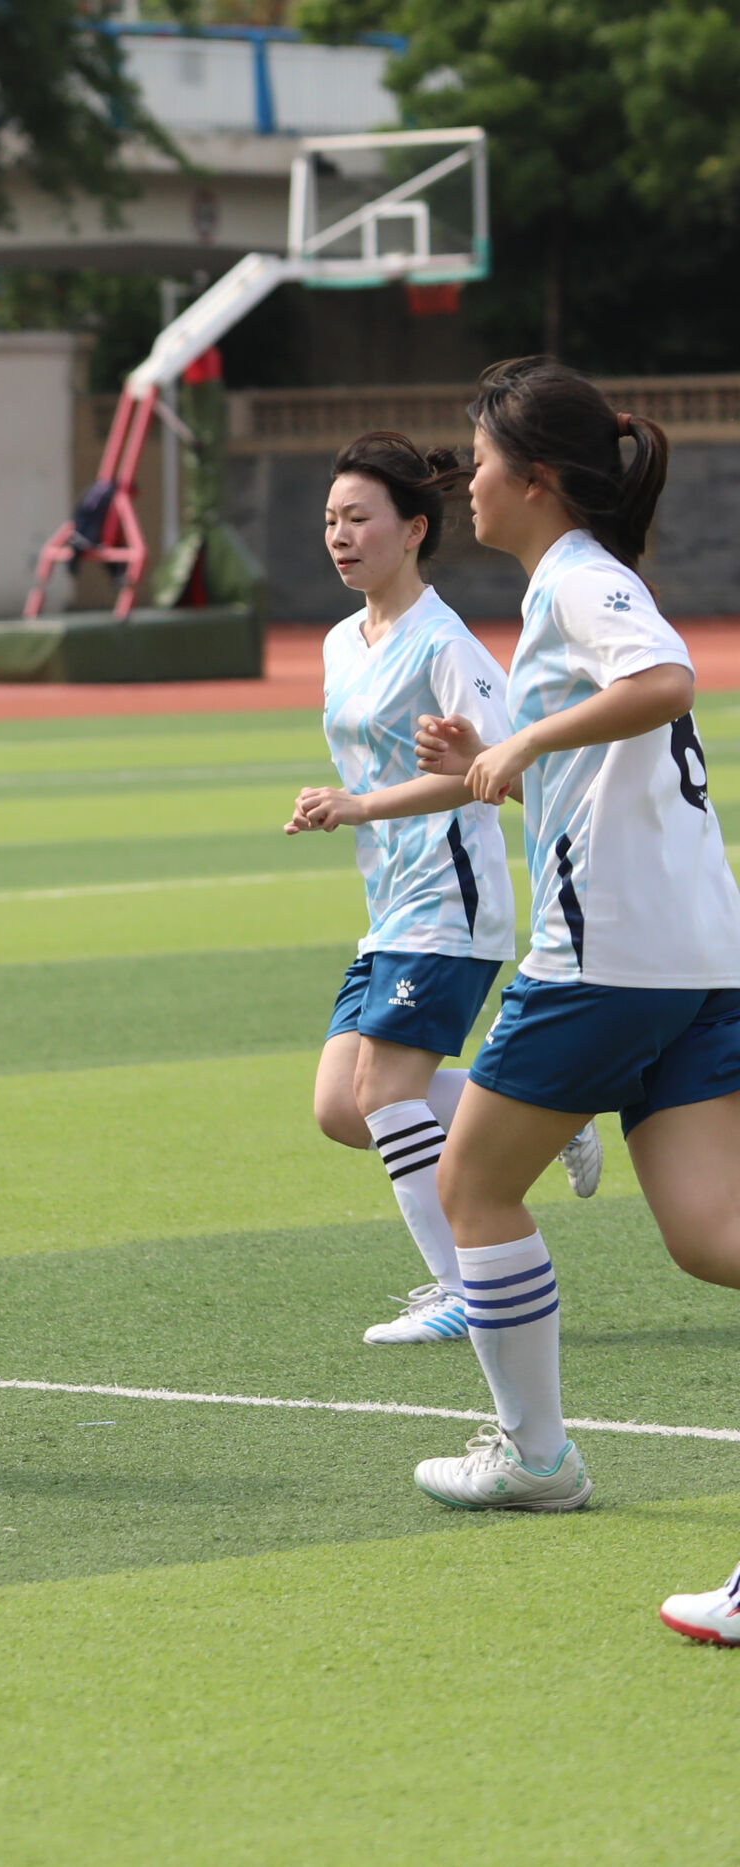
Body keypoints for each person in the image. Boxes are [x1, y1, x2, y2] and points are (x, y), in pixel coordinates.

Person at [401, 358, 740, 1534]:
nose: (468, 484)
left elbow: (665, 681)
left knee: (471, 1185)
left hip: (607, 961)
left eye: (480, 463)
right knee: (711, 1235)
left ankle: (535, 1456)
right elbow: (610, 767)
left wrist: (527, 737)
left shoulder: (579, 579)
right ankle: (533, 1451)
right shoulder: (575, 580)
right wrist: (492, 764)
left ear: (536, 478)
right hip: (695, 957)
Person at [286, 432, 590, 1348]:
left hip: (451, 903)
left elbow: (492, 771)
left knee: (385, 1091)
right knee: (343, 1108)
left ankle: (466, 1287)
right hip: (390, 904)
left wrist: (359, 803)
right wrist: (345, 802)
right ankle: (550, 1108)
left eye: (359, 518)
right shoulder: (341, 641)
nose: (341, 536)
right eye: (331, 520)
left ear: (414, 529)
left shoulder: (447, 644)